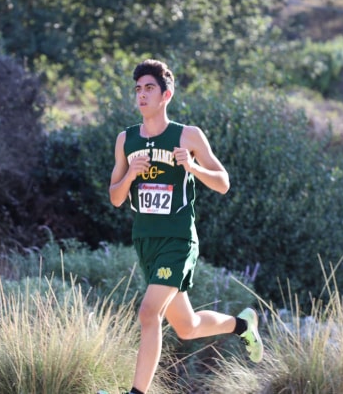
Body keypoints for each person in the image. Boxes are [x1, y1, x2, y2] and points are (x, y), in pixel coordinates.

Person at [105, 59, 263, 394]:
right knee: (187, 327)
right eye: (138, 89)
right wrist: (130, 174)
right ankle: (243, 325)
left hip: (178, 240)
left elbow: (223, 183)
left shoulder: (187, 135)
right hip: (146, 241)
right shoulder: (125, 140)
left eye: (149, 88)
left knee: (149, 313)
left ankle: (136, 393)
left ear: (166, 94)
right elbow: (116, 198)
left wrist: (192, 167)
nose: (141, 95)